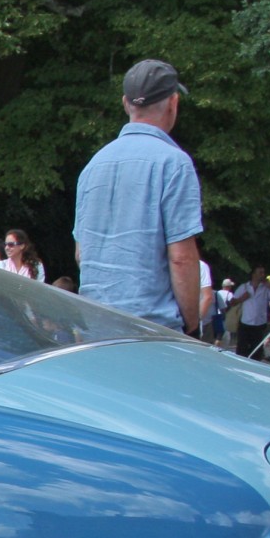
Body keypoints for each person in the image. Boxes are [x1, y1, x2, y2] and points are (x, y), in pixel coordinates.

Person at [73, 58, 204, 335]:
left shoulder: (93, 166)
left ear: (125, 103)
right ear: (173, 102)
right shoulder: (174, 163)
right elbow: (181, 258)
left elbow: (82, 253)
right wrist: (191, 323)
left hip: (95, 327)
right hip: (152, 329)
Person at [232, 271, 270, 359]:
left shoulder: (265, 288)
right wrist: (241, 298)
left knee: (257, 350)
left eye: (263, 272)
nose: (263, 274)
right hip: (245, 322)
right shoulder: (244, 287)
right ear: (253, 274)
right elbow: (232, 302)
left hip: (260, 323)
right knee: (242, 349)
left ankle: (255, 366)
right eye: (260, 272)